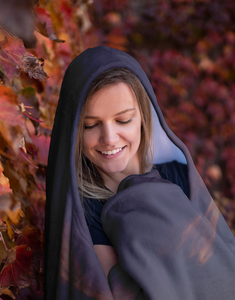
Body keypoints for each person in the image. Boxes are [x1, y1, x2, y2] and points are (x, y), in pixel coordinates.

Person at [45, 46, 235, 300]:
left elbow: (221, 258)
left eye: (123, 120)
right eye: (90, 125)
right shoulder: (83, 210)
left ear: (144, 117)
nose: (109, 139)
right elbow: (118, 293)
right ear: (73, 130)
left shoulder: (179, 175)